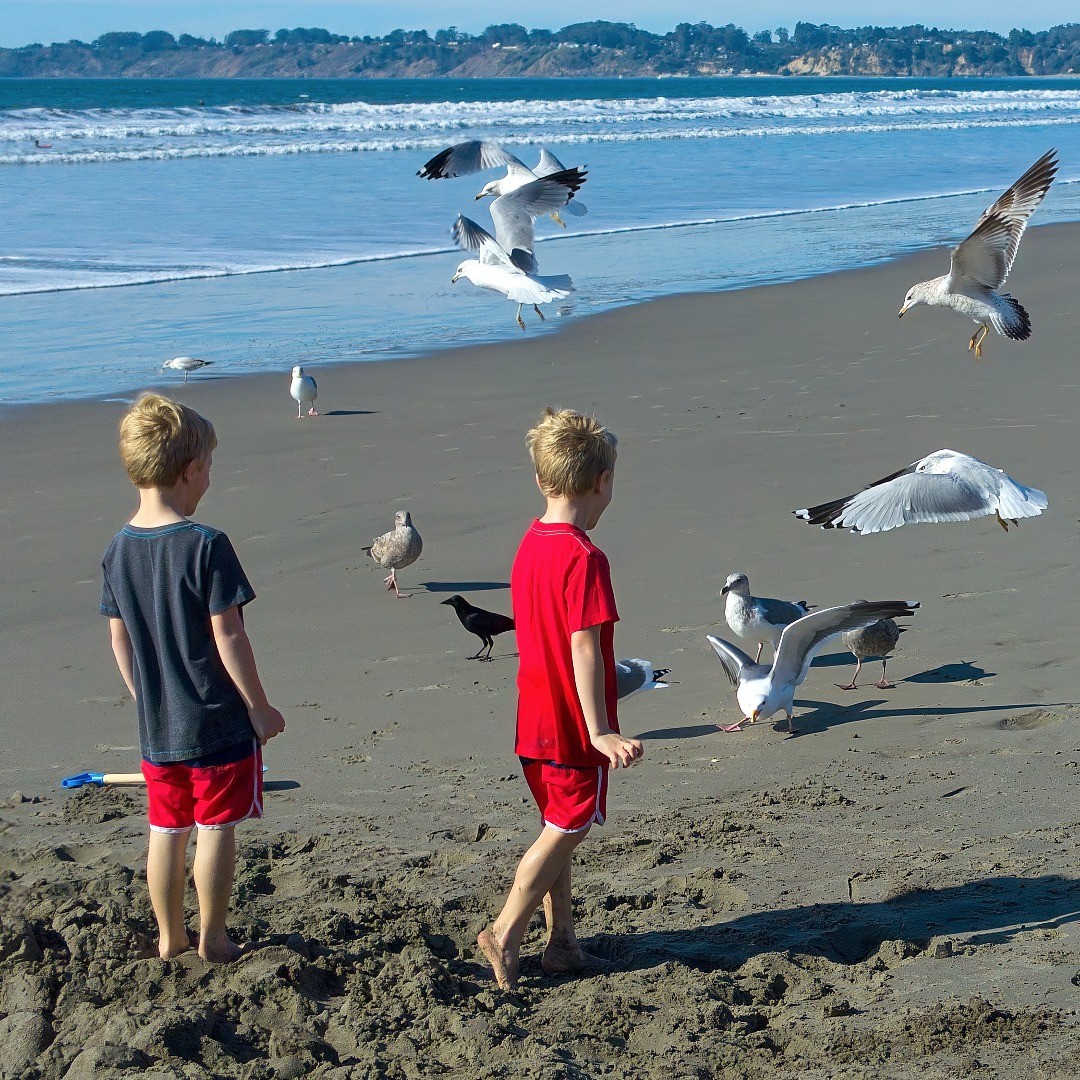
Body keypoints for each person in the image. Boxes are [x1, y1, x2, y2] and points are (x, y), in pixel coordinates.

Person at [100, 393, 285, 962]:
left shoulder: (118, 549)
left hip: (159, 725)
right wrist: (258, 706)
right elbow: (227, 634)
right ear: (190, 470)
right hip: (214, 721)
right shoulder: (206, 544)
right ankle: (213, 937)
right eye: (207, 462)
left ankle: (168, 937)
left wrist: (144, 695)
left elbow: (119, 636)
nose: (209, 473)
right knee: (216, 826)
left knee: (165, 829)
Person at [477, 407, 644, 990]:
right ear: (601, 482)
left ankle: (562, 942)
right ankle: (505, 929)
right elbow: (586, 649)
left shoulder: (530, 542)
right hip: (571, 726)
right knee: (565, 828)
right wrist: (598, 730)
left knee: (555, 826)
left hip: (531, 720)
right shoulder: (585, 557)